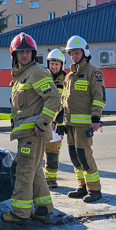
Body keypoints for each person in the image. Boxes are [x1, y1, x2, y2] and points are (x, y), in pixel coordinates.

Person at [2, 33, 60, 224]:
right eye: (21, 52)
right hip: (27, 134)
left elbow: (53, 99)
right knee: (35, 172)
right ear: (14, 55)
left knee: (24, 172)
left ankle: (19, 213)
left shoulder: (36, 72)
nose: (25, 55)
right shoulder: (21, 76)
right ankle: (43, 210)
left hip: (33, 134)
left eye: (28, 51)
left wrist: (42, 123)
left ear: (33, 54)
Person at [58, 35, 106, 203]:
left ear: (84, 53)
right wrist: (61, 121)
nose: (73, 56)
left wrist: (95, 118)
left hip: (84, 124)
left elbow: (99, 97)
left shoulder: (93, 72)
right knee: (74, 156)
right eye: (71, 53)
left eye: (76, 53)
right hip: (70, 123)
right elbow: (65, 99)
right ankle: (82, 187)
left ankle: (95, 190)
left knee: (84, 156)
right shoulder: (70, 75)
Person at [44, 49, 67, 189]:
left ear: (61, 65)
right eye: (52, 64)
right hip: (41, 119)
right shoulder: (42, 77)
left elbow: (67, 102)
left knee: (52, 152)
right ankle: (36, 180)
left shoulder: (66, 80)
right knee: (36, 151)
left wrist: (60, 120)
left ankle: (51, 179)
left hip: (56, 122)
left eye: (56, 64)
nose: (54, 66)